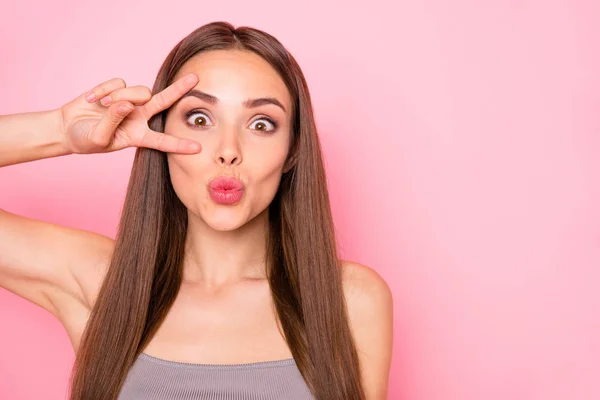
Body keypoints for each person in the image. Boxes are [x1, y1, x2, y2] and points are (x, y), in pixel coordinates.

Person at [0, 21, 393, 400]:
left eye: (261, 124)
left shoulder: (349, 300)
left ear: (292, 151)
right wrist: (59, 132)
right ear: (161, 132)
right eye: (200, 119)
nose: (228, 150)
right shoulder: (104, 285)